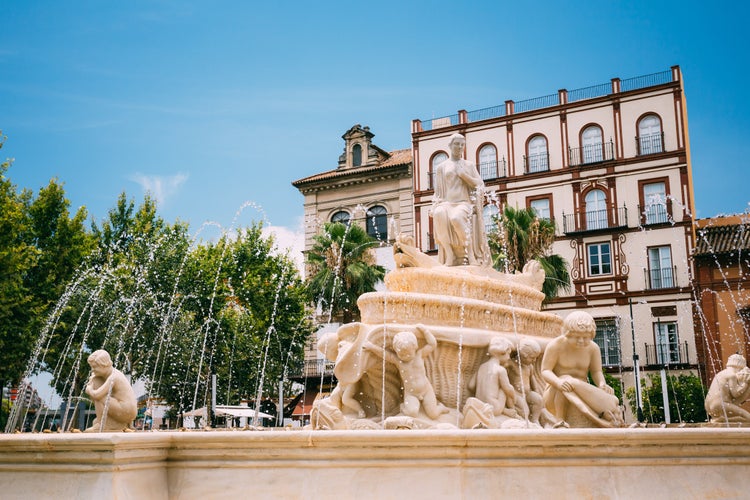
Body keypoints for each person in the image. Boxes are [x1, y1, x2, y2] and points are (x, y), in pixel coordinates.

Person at [541, 311, 623, 428]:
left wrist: (601, 384)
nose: (581, 341)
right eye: (576, 337)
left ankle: (603, 420)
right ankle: (560, 419)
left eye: (585, 338)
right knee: (566, 379)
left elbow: (596, 372)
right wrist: (558, 382)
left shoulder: (593, 348)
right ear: (567, 334)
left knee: (611, 402)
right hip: (555, 393)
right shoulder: (555, 346)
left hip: (582, 391)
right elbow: (545, 371)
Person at [431, 133, 492, 267]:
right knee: (438, 214)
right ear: (450, 146)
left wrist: (464, 176)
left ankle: (470, 254)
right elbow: (438, 191)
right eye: (456, 144)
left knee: (456, 218)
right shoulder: (441, 167)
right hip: (446, 203)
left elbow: (480, 184)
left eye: (462, 145)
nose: (459, 147)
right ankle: (450, 255)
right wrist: (435, 204)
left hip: (463, 203)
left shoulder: (468, 165)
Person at [364, 325, 448, 420]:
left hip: (426, 391)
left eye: (408, 353)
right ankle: (403, 406)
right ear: (396, 351)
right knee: (412, 413)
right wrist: (371, 347)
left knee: (433, 414)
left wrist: (425, 331)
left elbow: (432, 344)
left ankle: (441, 408)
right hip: (411, 394)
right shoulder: (398, 361)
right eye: (401, 354)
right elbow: (384, 354)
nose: (405, 356)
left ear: (415, 348)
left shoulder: (419, 355)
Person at [84, 349, 137, 432]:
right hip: (123, 408)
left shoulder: (113, 377)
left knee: (99, 396)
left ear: (104, 365)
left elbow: (97, 395)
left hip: (126, 410)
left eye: (95, 367)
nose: (92, 370)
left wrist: (89, 389)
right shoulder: (109, 375)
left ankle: (103, 424)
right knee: (96, 381)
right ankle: (109, 422)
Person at [471, 336, 518, 419]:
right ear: (502, 353)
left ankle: (505, 410)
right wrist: (514, 396)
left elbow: (470, 386)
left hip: (480, 405)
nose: (509, 358)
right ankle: (512, 411)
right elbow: (508, 388)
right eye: (508, 354)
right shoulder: (500, 369)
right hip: (494, 408)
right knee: (504, 389)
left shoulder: (481, 367)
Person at [704, 353, 750, 424]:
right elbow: (736, 394)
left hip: (709, 407)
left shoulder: (720, 374)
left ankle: (722, 419)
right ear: (739, 366)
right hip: (719, 405)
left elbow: (734, 401)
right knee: (748, 418)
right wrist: (746, 383)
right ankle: (722, 420)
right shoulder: (731, 375)